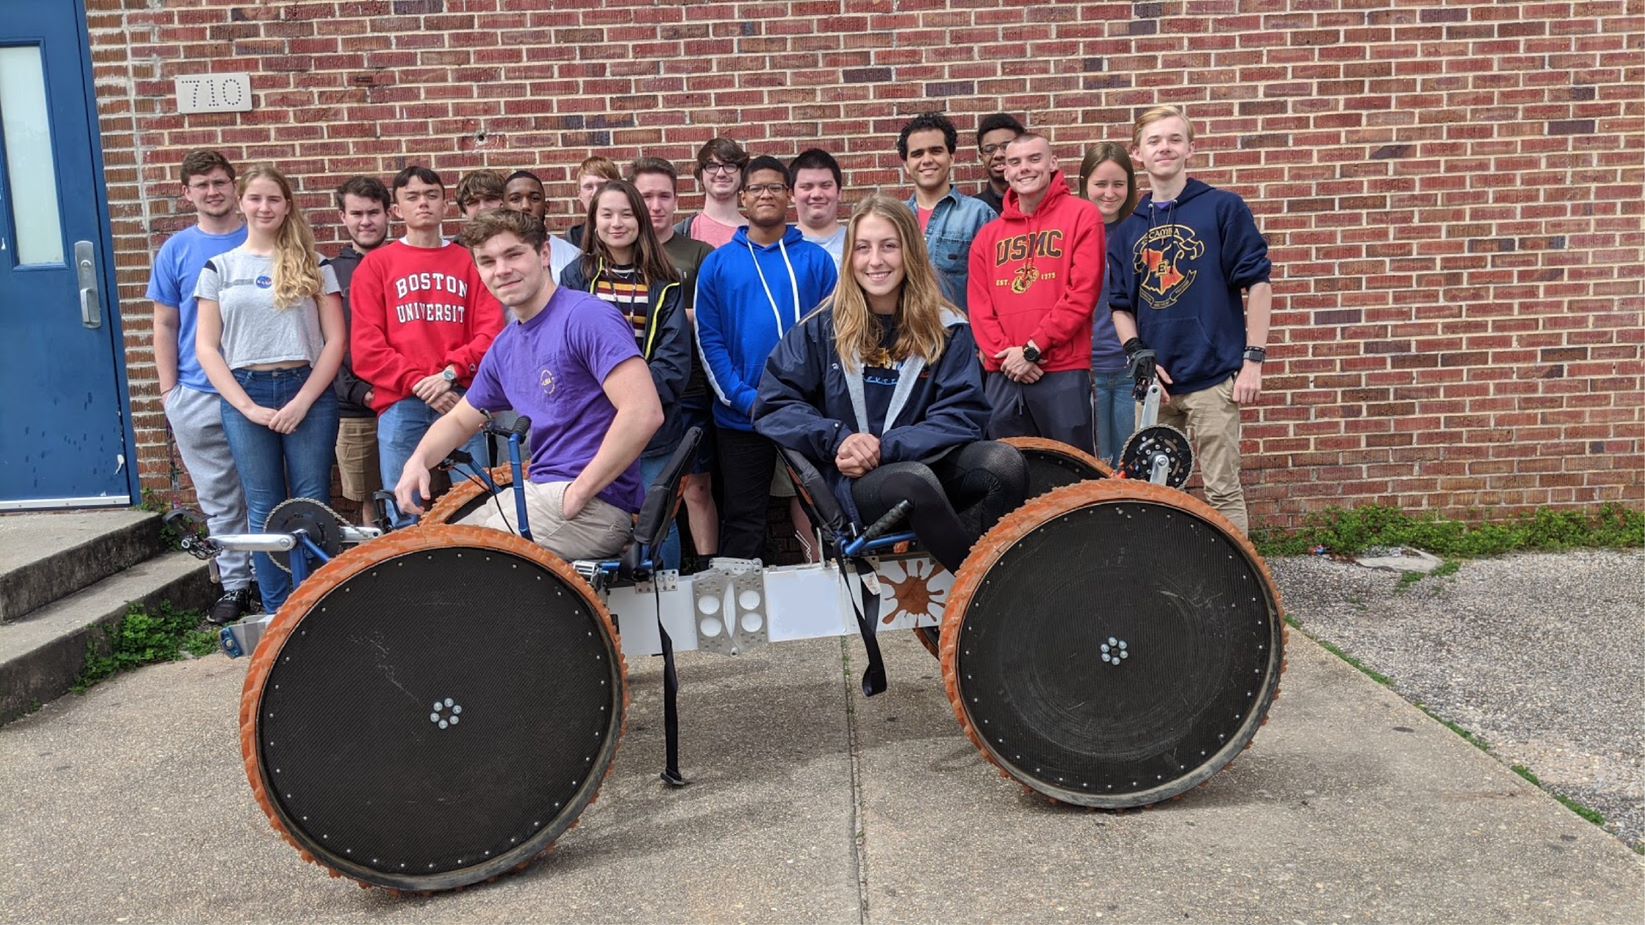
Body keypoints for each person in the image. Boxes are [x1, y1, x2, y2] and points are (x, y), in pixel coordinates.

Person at [755, 194, 1027, 574]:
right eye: (863, 248)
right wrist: (839, 438)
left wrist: (886, 447)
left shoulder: (947, 328)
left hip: (922, 459)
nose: (875, 261)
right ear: (850, 258)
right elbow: (774, 403)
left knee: (1005, 464)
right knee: (912, 483)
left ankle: (968, 579)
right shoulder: (822, 327)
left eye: (889, 246)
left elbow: (963, 415)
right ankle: (987, 591)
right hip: (855, 481)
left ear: (910, 253)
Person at [394, 209, 664, 561]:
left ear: (545, 254)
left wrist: (579, 493)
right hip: (538, 494)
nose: (501, 270)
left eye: (513, 254)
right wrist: (418, 461)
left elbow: (644, 412)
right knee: (427, 549)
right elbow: (461, 419)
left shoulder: (586, 317)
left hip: (592, 509)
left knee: (453, 564)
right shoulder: (506, 346)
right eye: (487, 261)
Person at [1108, 105, 1272, 533]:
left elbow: (1258, 284)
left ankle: (1238, 586)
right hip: (1157, 388)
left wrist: (1253, 360)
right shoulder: (1128, 230)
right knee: (1154, 494)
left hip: (1213, 379)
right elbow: (1120, 305)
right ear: (1138, 154)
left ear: (1190, 149)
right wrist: (1138, 358)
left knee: (1222, 490)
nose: (1165, 147)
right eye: (1154, 140)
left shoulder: (1222, 208)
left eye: (1174, 139)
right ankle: (1170, 580)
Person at [193, 165, 345, 614]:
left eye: (273, 199)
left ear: (287, 206)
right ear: (241, 202)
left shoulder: (315, 264)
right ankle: (278, 610)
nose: (264, 207)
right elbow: (207, 348)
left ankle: (320, 603)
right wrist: (247, 407)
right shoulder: (219, 268)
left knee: (311, 500)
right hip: (245, 392)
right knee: (262, 503)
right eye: (255, 198)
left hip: (307, 390)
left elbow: (335, 340)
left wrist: (302, 401)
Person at [693, 155, 838, 561]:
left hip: (806, 412)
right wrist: (742, 398)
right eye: (757, 188)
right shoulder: (718, 264)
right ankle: (742, 614)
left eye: (776, 187)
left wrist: (813, 399)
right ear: (742, 197)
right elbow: (709, 339)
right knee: (744, 516)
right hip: (742, 416)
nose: (766, 195)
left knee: (821, 505)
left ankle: (833, 595)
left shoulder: (817, 261)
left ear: (789, 195)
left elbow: (833, 336)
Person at [559, 180, 693, 568]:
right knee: (595, 518)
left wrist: (634, 405)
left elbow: (673, 362)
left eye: (626, 213)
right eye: (607, 214)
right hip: (591, 427)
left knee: (656, 521)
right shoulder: (577, 277)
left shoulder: (664, 282)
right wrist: (600, 405)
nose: (617, 223)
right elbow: (564, 348)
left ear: (640, 220)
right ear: (593, 220)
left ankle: (666, 603)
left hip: (652, 429)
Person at [147, 149, 256, 624]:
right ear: (187, 193)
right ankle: (235, 585)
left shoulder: (260, 237)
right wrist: (170, 392)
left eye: (220, 182)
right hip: (197, 392)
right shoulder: (177, 250)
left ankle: (276, 583)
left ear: (234, 186)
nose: (213, 192)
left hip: (258, 391)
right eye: (202, 184)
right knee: (219, 498)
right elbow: (166, 324)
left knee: (267, 492)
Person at [349, 166, 504, 492]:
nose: (423, 203)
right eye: (413, 197)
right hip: (401, 401)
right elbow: (367, 346)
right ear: (396, 209)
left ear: (445, 205)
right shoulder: (376, 266)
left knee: (474, 500)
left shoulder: (469, 262)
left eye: (432, 195)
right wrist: (420, 383)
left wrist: (448, 375)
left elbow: (491, 336)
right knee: (402, 504)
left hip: (461, 398)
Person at [967, 133, 1105, 454]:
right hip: (1003, 374)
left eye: (1034, 159)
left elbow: (1082, 294)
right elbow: (979, 307)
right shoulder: (988, 236)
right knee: (1008, 474)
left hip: (1063, 370)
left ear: (1052, 163)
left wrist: (1031, 349)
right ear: (1006, 170)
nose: (1024, 169)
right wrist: (1008, 356)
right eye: (1015, 162)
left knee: (1071, 474)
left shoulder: (1082, 215)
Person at [630, 156, 719, 562]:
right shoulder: (621, 252)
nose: (656, 204)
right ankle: (652, 569)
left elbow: (710, 315)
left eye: (664, 195)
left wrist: (663, 314)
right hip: (632, 392)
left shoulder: (697, 253)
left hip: (692, 388)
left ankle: (705, 571)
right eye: (646, 196)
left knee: (697, 488)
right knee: (647, 489)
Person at [326, 175, 392, 526]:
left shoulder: (405, 262)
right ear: (343, 217)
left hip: (407, 401)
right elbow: (326, 344)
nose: (365, 221)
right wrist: (360, 392)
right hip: (355, 408)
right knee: (368, 503)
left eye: (373, 212)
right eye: (356, 213)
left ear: (388, 214)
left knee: (417, 494)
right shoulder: (331, 273)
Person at [1078, 144, 1141, 467]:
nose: (1109, 193)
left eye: (1118, 184)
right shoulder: (1073, 235)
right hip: (1086, 370)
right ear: (1085, 183)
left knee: (1129, 464)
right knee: (1093, 464)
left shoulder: (1138, 233)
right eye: (1100, 184)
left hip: (1130, 368)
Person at [897, 111, 997, 312]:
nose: (927, 160)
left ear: (951, 157)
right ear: (906, 166)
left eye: (936, 151)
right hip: (906, 340)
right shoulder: (895, 219)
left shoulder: (979, 216)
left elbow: (997, 288)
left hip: (962, 338)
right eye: (917, 154)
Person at [677, 137, 749, 249]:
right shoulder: (682, 233)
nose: (721, 173)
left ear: (742, 175)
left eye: (730, 166)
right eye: (712, 167)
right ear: (701, 175)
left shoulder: (757, 233)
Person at [790, 148, 845, 267]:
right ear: (792, 194)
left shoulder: (858, 243)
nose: (816, 195)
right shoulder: (781, 248)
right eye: (806, 187)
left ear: (839, 192)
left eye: (825, 186)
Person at [973, 113, 1025, 215]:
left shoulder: (1041, 203)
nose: (998, 155)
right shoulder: (973, 210)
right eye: (989, 149)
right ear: (981, 157)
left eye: (1006, 146)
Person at [566, 155, 621, 247]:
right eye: (588, 187)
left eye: (603, 186)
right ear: (580, 195)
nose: (595, 193)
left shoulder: (632, 231)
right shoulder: (574, 239)